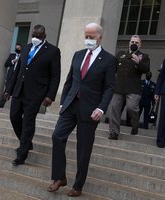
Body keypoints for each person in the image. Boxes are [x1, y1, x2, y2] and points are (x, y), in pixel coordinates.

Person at [47, 23, 116, 197]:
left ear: (100, 37)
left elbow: (109, 87)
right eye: (86, 36)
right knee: (57, 136)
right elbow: (70, 81)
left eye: (92, 36)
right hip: (70, 105)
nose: (88, 39)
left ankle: (78, 185)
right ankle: (59, 177)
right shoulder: (78, 55)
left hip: (91, 109)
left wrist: (101, 108)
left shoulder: (109, 60)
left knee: (83, 148)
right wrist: (63, 103)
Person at [3, 24, 61, 166]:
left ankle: (22, 155)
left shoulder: (53, 51)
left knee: (28, 122)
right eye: (34, 35)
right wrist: (8, 89)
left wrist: (50, 96)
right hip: (18, 90)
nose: (36, 38)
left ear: (44, 36)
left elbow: (55, 76)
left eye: (39, 36)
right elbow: (18, 71)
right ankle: (27, 142)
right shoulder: (27, 48)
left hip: (36, 93)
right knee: (14, 117)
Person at [108, 35, 150, 140]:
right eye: (132, 42)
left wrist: (138, 62)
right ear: (129, 43)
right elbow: (113, 68)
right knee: (114, 108)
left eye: (136, 43)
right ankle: (114, 132)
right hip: (119, 87)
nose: (134, 44)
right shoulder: (121, 54)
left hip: (133, 88)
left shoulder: (143, 56)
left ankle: (135, 124)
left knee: (131, 107)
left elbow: (146, 70)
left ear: (140, 45)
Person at [0, 43, 23, 108]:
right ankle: (1, 104)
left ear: (21, 49)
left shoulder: (23, 56)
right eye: (16, 48)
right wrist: (13, 61)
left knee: (16, 91)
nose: (17, 49)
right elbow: (6, 64)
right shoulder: (12, 55)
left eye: (19, 48)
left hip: (18, 76)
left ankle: (16, 107)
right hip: (11, 75)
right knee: (7, 90)